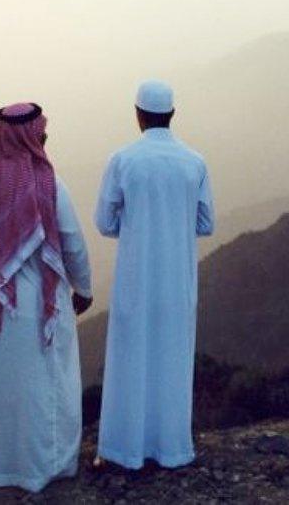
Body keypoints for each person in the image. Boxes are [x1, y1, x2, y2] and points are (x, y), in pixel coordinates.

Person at [0, 102, 93, 492]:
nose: (45, 140)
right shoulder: (51, 186)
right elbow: (73, 246)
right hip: (39, 311)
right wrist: (82, 289)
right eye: (42, 134)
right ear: (32, 137)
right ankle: (47, 466)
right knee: (42, 390)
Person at [94, 80, 215, 469]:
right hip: (178, 279)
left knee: (131, 359)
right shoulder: (194, 161)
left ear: (138, 114)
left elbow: (104, 222)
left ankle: (124, 450)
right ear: (173, 114)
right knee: (171, 358)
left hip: (135, 277)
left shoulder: (123, 160)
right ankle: (173, 449)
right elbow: (206, 223)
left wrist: (134, 228)